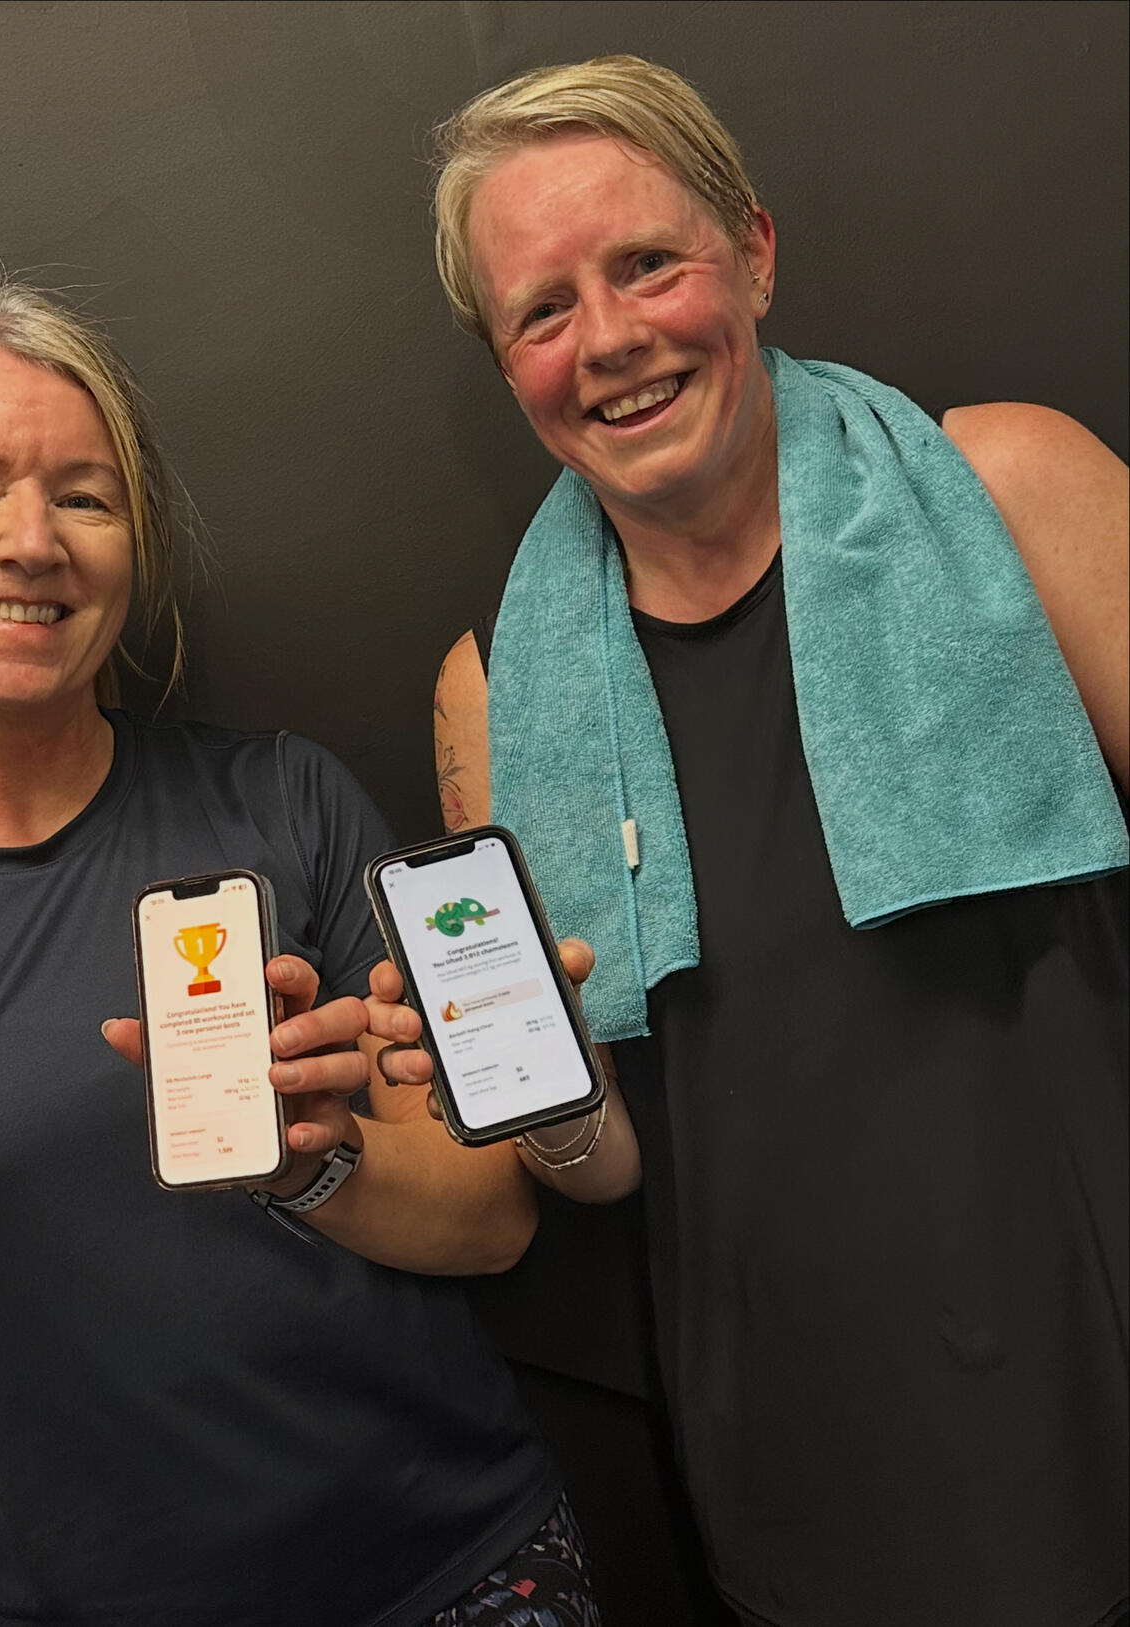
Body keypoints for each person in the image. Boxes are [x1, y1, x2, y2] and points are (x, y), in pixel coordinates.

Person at [0, 280, 600, 1626]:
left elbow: (495, 1222)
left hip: (458, 1580)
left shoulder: (287, 802)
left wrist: (317, 1162)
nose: (31, 542)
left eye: (85, 498)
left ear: (135, 544)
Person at [373, 54, 1128, 1627]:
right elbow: (606, 1171)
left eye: (648, 262)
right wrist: (522, 1081)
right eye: (543, 308)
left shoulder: (1011, 487)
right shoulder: (494, 695)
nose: (610, 338)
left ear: (757, 252)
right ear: (505, 362)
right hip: (800, 1481)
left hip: (1098, 1396)